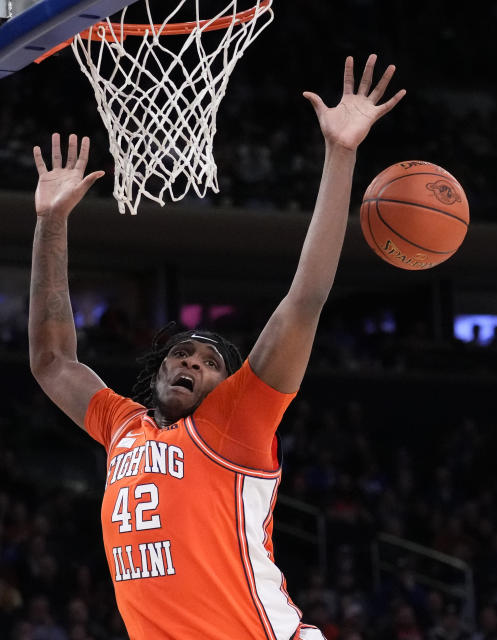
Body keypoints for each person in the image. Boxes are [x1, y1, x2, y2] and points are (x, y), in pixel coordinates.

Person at [28, 54, 404, 639]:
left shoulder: (235, 422)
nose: (191, 362)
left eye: (209, 364)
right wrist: (51, 222)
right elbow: (52, 361)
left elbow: (303, 300)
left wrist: (341, 153)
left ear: (225, 388)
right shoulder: (122, 426)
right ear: (157, 370)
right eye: (182, 354)